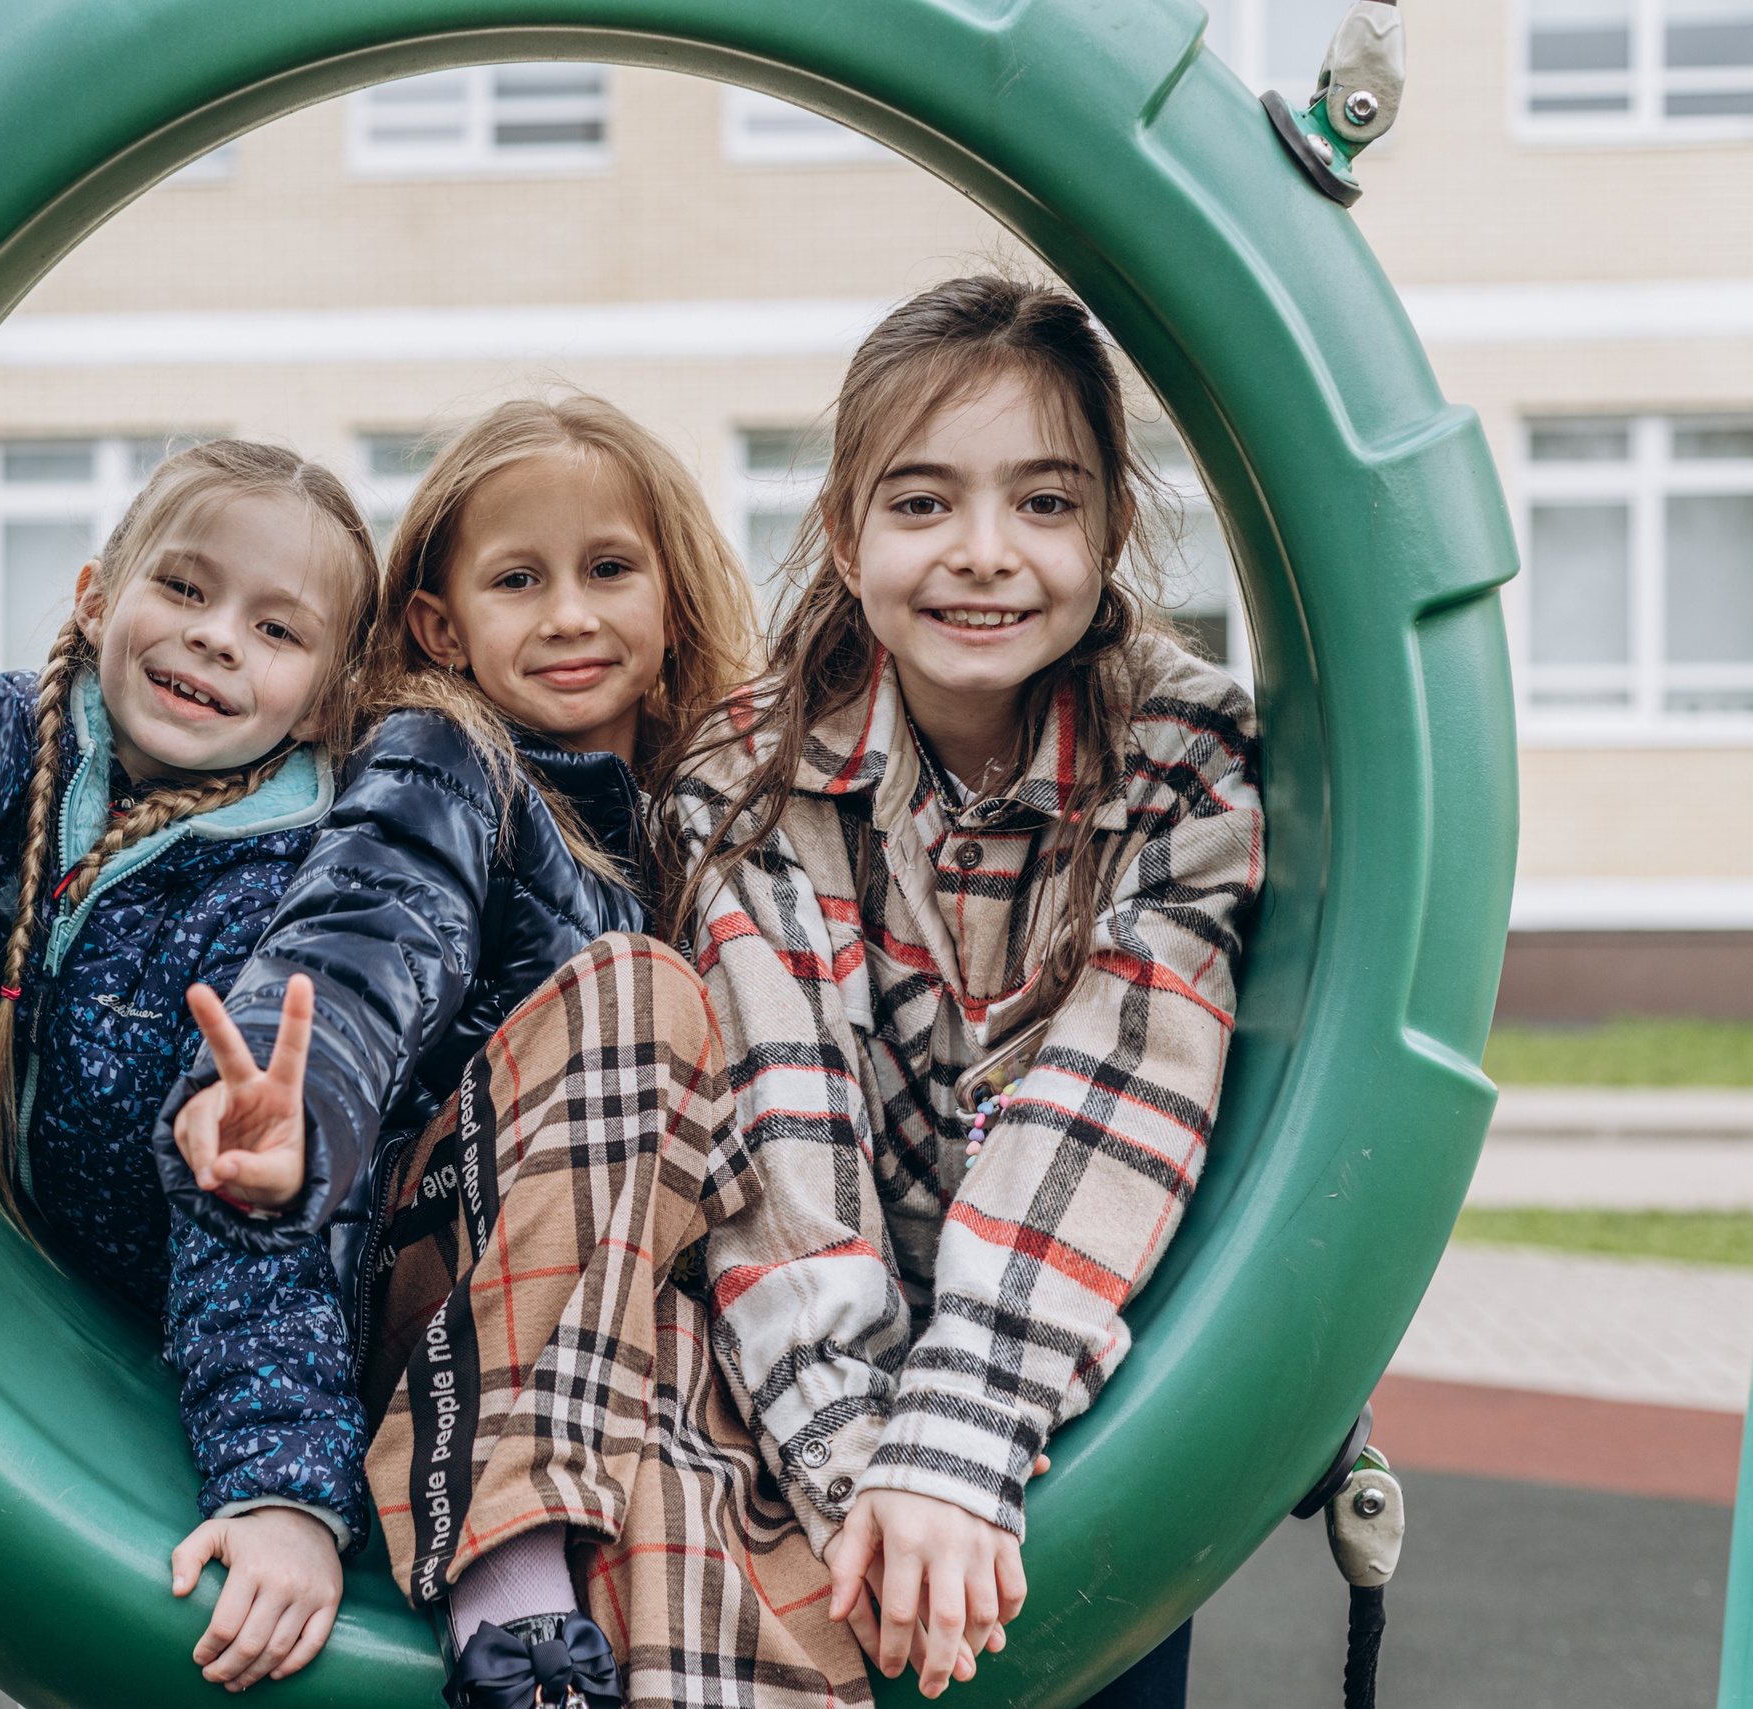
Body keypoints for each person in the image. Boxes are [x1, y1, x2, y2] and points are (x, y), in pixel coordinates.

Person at [152, 396, 802, 1709]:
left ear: (671, 600)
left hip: (620, 1319)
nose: (568, 613)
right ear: (444, 626)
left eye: (608, 570)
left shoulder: (718, 822)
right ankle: (503, 1585)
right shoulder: (453, 765)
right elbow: (363, 938)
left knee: (713, 1505)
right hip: (446, 1261)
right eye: (519, 579)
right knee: (636, 995)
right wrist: (303, 1106)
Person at [670, 277, 1267, 1705]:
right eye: (925, 502)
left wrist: (964, 1436)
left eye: (1046, 504)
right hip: (811, 1385)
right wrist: (873, 1477)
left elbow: (1121, 1083)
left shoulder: (1182, 757)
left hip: (1086, 1365)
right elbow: (775, 1127)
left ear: (1115, 527)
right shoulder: (747, 777)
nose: (984, 556)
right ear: (845, 527)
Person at [0, 440, 380, 1693]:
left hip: (128, 1349)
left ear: (330, 696)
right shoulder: (24, 744)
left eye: (275, 628)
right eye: (182, 589)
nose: (216, 637)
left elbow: (249, 1212)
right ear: (94, 594)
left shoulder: (291, 888)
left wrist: (279, 1488)